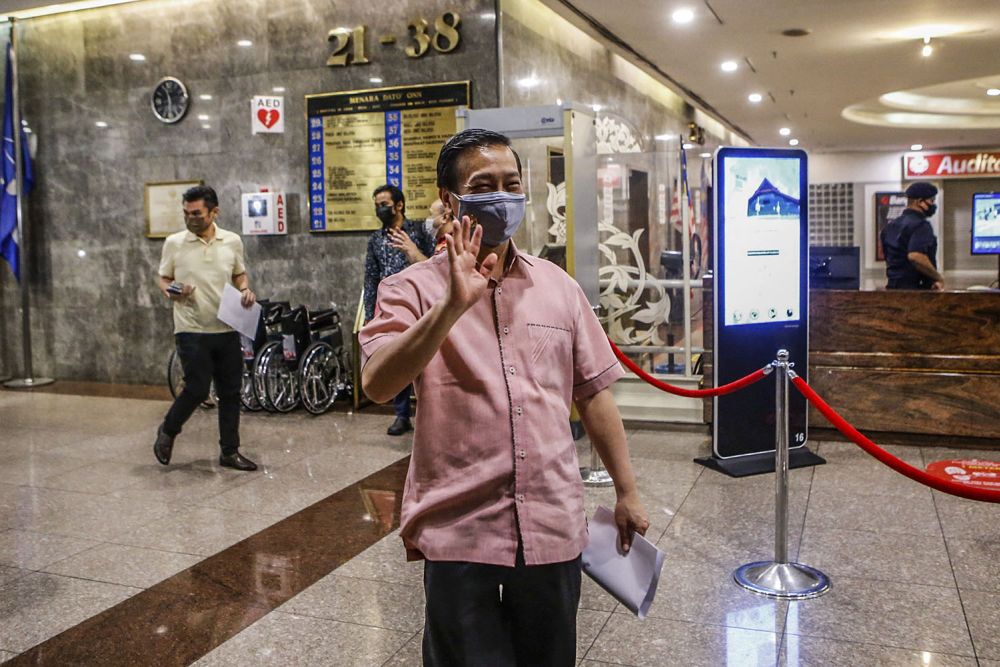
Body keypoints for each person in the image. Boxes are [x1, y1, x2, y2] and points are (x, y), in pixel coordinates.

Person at [359, 129, 649, 667]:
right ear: (449, 199)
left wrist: (627, 491)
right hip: (459, 526)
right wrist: (449, 306)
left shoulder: (558, 286)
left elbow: (593, 394)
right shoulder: (410, 288)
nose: (501, 195)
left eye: (511, 184)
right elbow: (378, 384)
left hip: (551, 521)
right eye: (482, 185)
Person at [153, 186, 258, 471]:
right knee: (198, 388)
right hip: (191, 328)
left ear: (214, 212)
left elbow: (239, 273)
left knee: (231, 392)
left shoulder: (232, 241)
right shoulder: (174, 243)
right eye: (186, 213)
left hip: (226, 326)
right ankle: (168, 429)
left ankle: (229, 451)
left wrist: (245, 290)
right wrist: (175, 289)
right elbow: (164, 279)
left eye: (197, 214)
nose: (191, 219)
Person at [363, 184, 435, 435]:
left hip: (421, 303)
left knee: (426, 359)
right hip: (392, 308)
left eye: (384, 204)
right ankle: (402, 415)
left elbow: (435, 263)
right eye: (377, 205)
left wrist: (413, 251)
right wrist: (370, 315)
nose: (380, 209)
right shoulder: (376, 239)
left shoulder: (418, 231)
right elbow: (371, 277)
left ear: (399, 205)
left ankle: (430, 413)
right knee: (397, 357)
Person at [881, 181, 944, 290]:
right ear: (919, 202)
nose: (933, 205)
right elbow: (915, 256)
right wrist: (937, 277)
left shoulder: (890, 226)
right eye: (931, 201)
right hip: (916, 290)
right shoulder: (921, 225)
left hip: (892, 288)